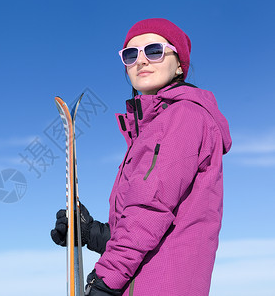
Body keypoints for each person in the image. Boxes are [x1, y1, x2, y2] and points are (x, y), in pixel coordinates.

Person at [51, 18, 232, 295]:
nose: (142, 61)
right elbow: (152, 224)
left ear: (180, 64)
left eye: (155, 50)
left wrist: (105, 280)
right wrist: (91, 233)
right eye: (131, 54)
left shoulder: (183, 116)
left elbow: (150, 209)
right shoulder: (153, 129)